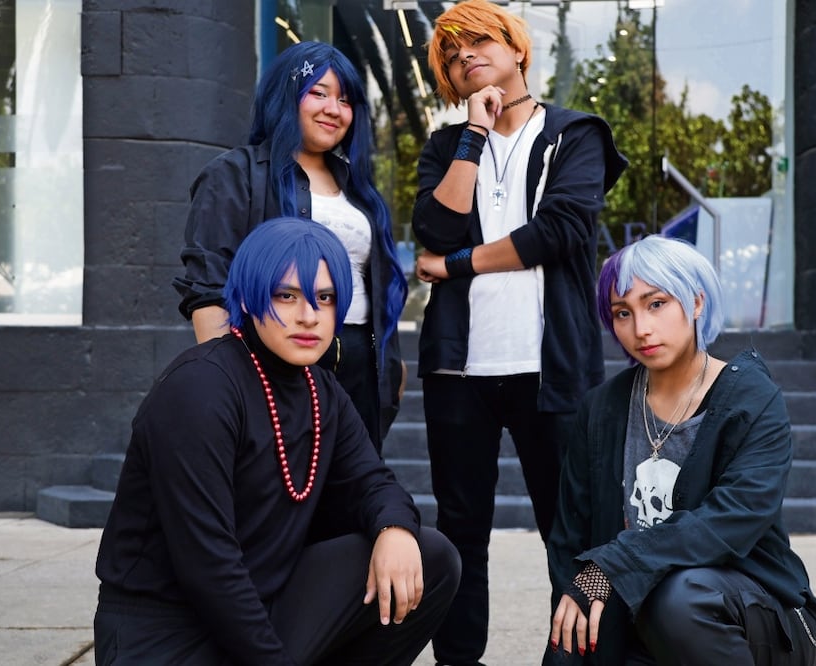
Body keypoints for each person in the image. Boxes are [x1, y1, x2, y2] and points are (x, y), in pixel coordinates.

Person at [95, 218, 460, 665]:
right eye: (286, 296)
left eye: (325, 298)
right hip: (166, 634)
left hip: (261, 607)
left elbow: (374, 483)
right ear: (247, 298)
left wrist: (395, 529)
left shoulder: (320, 391)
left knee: (431, 557)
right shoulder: (200, 388)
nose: (308, 315)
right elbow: (208, 566)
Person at [411, 1, 627, 663]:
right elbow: (434, 228)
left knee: (578, 531)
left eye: (479, 40)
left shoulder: (575, 134)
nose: (465, 54)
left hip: (552, 371)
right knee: (458, 530)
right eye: (452, 53)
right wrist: (473, 134)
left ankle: (579, 658)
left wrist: (456, 265)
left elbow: (561, 231)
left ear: (516, 48)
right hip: (458, 373)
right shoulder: (446, 147)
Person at [545, 235, 816, 665]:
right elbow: (569, 537)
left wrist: (614, 565)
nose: (641, 328)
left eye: (656, 304)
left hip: (751, 617)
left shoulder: (752, 399)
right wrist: (575, 616)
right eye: (623, 313)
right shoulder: (601, 408)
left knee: (678, 600)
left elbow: (732, 520)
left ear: (696, 303)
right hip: (636, 617)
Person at [173, 40, 407, 453]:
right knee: (280, 479)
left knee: (354, 481)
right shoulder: (235, 173)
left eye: (345, 100)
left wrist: (393, 364)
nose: (334, 109)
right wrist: (225, 382)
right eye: (318, 93)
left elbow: (378, 284)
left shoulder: (360, 190)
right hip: (273, 359)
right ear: (286, 96)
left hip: (361, 362)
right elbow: (208, 288)